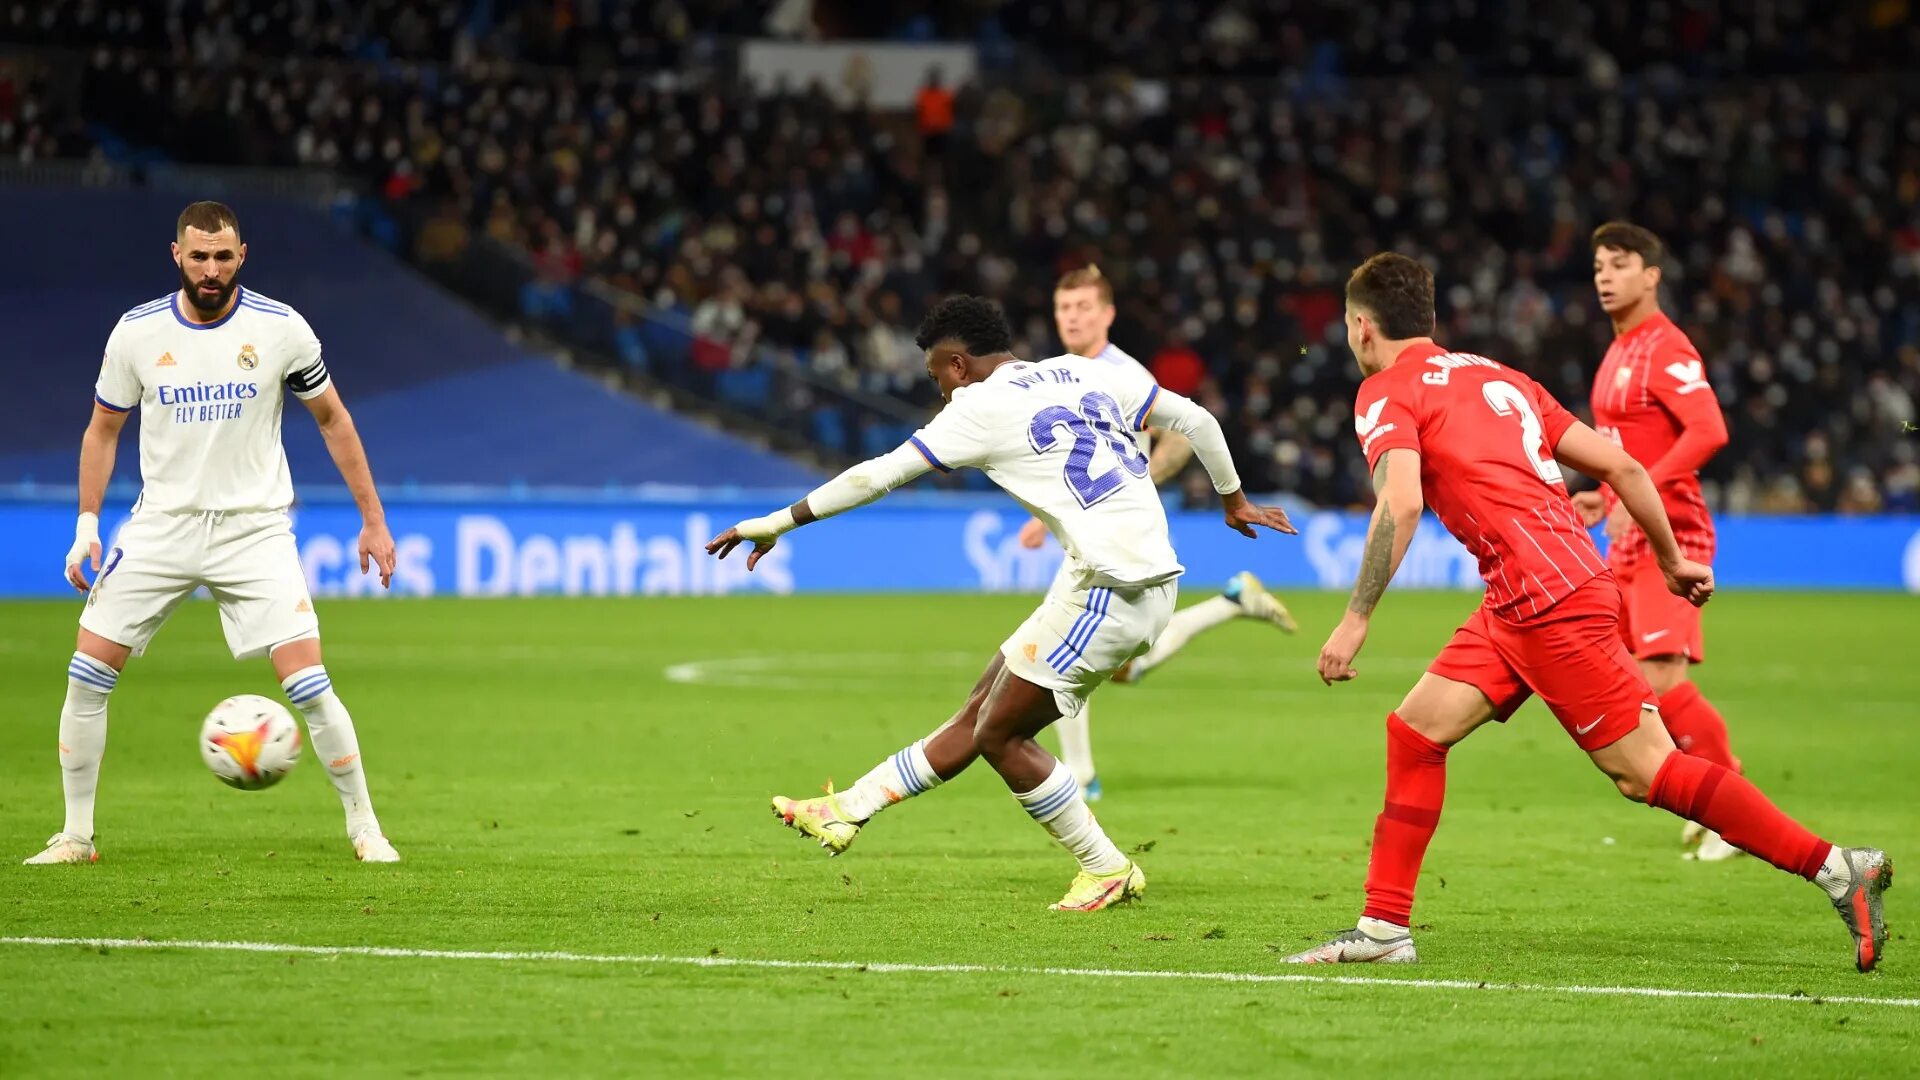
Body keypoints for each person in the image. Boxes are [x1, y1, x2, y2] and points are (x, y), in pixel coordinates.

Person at [1283, 253, 1890, 970]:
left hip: (1549, 602)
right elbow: (1623, 467)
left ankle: (1837, 869)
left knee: (1648, 773)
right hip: (1529, 591)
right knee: (1416, 731)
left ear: (1360, 327)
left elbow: (1402, 501)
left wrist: (1356, 619)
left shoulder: (1385, 390)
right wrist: (1669, 559)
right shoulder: (1499, 375)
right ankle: (1384, 930)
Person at [706, 295, 1294, 910]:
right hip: (1113, 573)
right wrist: (1234, 500)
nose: (939, 391)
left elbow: (874, 475)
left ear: (958, 365)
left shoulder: (979, 407)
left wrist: (777, 522)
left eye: (937, 375)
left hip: (1115, 587)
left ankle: (1105, 867)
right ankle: (846, 809)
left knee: (1000, 736)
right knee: (981, 708)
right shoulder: (1084, 369)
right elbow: (1198, 420)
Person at [27, 201, 400, 866]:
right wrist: (87, 527)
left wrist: (373, 519)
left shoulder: (281, 329)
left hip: (253, 531)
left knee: (310, 684)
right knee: (86, 674)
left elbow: (334, 419)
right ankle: (76, 836)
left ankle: (366, 827)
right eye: (198, 256)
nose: (210, 268)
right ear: (177, 256)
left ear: (242, 257)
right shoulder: (136, 334)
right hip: (161, 528)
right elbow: (102, 430)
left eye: (222, 257)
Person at [1020, 265, 1299, 800]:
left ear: (1107, 314)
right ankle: (1233, 602)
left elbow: (1182, 436)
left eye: (1083, 307)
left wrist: (1137, 480)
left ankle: (1079, 774)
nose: (1072, 317)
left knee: (1058, 652)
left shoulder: (1125, 374)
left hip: (1121, 536)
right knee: (1124, 667)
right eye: (1064, 308)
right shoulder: (1056, 372)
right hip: (1092, 534)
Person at [1573, 222, 1742, 861]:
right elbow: (1624, 449)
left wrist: (1636, 487)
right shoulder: (1618, 351)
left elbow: (1708, 431)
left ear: (1652, 275)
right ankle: (1702, 793)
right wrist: (1606, 495)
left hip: (1675, 531)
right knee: (1622, 680)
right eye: (1597, 267)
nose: (1606, 277)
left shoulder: (1665, 347)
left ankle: (1730, 801)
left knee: (1660, 676)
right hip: (1630, 532)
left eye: (1620, 264)